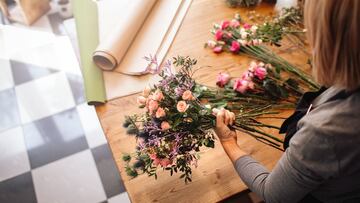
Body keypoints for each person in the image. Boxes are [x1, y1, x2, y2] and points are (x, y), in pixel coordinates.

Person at [214, 0, 360, 202]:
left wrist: (229, 142)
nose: (308, 34)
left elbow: (273, 194)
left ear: (335, 39)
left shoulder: (327, 131)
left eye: (312, 28)